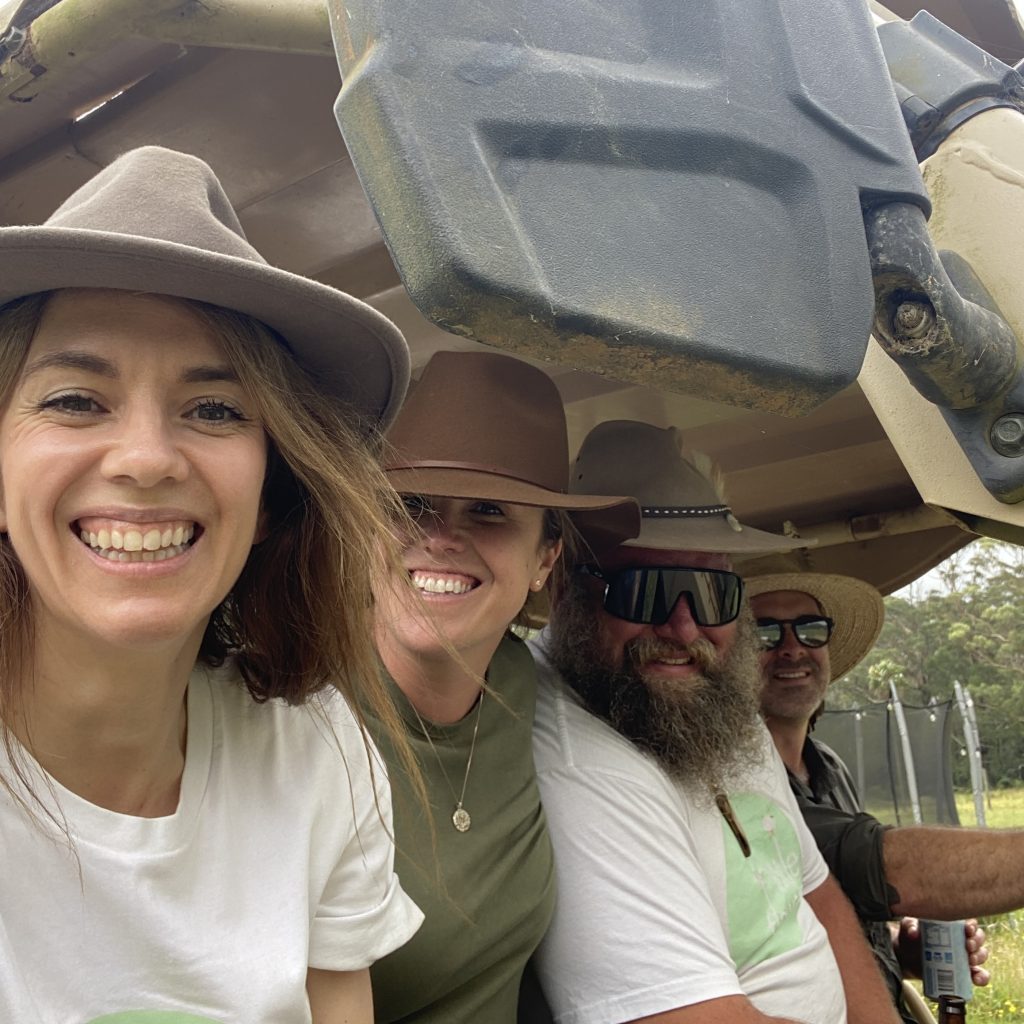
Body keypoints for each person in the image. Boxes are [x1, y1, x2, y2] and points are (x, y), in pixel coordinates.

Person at [0, 146, 424, 1023]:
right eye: (76, 399)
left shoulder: (316, 752)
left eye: (216, 410)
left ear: (273, 496)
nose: (148, 459)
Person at [529, 418, 901, 1024]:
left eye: (711, 592)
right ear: (568, 587)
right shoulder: (574, 753)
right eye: (647, 591)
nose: (683, 630)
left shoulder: (715, 704)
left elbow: (816, 894)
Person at [367, 351, 640, 1022]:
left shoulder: (527, 684)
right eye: (411, 505)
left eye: (488, 511)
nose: (440, 538)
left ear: (546, 558)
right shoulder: (288, 703)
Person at [746, 569, 1024, 1019]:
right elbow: (881, 864)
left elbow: (822, 911)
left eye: (810, 629)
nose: (792, 647)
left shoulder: (828, 766)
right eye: (764, 633)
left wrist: (897, 951)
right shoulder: (732, 776)